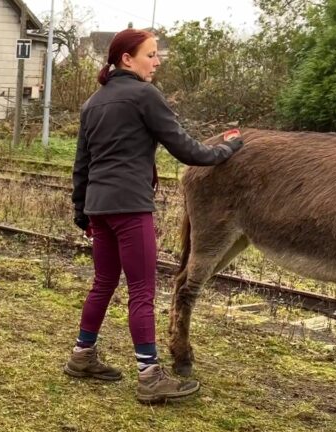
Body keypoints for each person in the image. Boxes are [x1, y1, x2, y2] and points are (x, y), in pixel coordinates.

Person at [64, 28, 243, 404]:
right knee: (142, 290)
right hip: (130, 207)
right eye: (151, 54)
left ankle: (82, 356)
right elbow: (185, 147)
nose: (157, 61)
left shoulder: (93, 103)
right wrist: (227, 149)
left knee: (103, 283)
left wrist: (83, 212)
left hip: (99, 207)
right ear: (126, 59)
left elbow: (82, 165)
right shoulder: (144, 95)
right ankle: (150, 376)